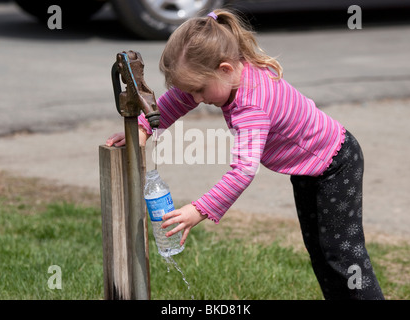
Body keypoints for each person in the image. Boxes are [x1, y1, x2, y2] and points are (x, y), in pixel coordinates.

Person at [106, 9, 384, 300]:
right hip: (308, 170)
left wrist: (197, 210)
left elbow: (243, 171)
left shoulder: (251, 106)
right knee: (319, 249)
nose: (197, 99)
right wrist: (143, 128)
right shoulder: (228, 70)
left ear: (225, 69)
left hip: (336, 165)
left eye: (200, 90)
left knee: (341, 254)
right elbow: (180, 98)